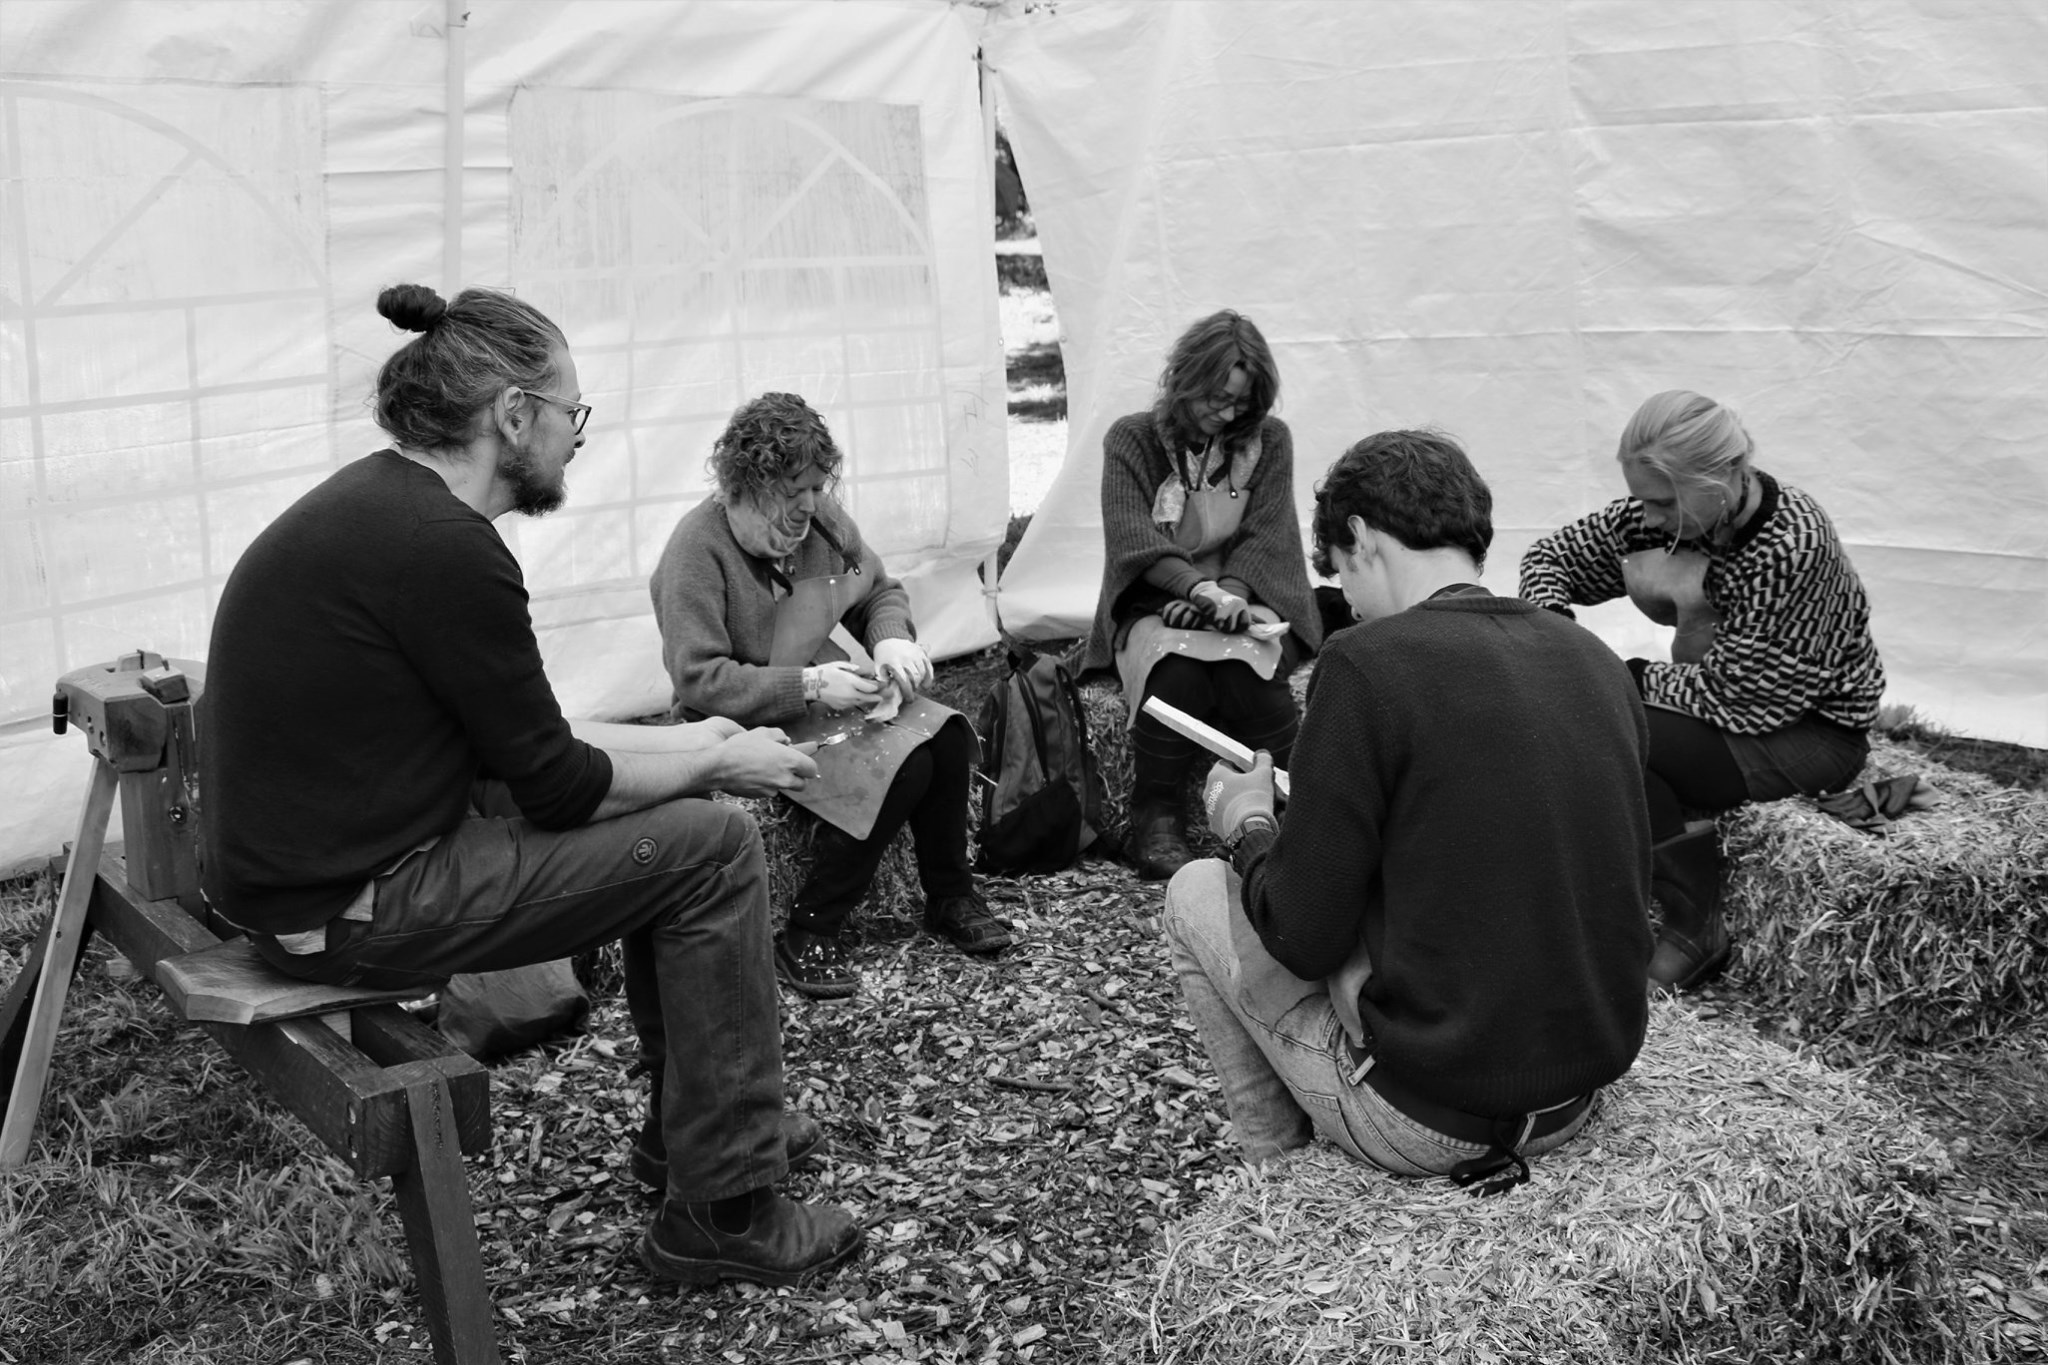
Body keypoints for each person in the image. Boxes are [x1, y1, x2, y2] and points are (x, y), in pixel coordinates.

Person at [200, 284, 862, 1288]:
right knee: (717, 847)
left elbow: (521, 742)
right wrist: (715, 760)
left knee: (683, 818)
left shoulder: (387, 509)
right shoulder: (445, 548)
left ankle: (692, 1133)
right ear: (513, 415)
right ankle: (725, 1209)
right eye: (569, 413)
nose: (576, 438)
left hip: (311, 880)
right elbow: (555, 785)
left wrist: (694, 738)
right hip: (349, 906)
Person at [1166, 430, 1651, 1185]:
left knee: (1193, 889)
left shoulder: (1366, 662)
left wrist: (1249, 826)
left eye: (1338, 572)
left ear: (1360, 536)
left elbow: (1301, 935)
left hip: (1433, 1119)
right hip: (1576, 1095)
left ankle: (1280, 1179)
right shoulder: (1593, 658)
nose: (1349, 601)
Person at [1520, 390, 1884, 991]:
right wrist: (1557, 631)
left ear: (1721, 478)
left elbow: (1744, 699)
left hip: (1807, 732)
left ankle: (1696, 928)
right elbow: (1549, 559)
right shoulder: (1659, 517)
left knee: (1605, 730)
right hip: (1722, 707)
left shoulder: (1791, 545)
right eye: (1643, 499)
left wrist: (1612, 678)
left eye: (1663, 502)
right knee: (1581, 718)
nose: (1649, 518)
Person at [649, 392, 1009, 1001]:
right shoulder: (696, 551)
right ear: (745, 486)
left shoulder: (821, 520)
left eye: (817, 487)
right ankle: (811, 927)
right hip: (735, 721)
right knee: (904, 766)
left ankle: (950, 895)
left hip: (816, 694)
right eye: (794, 492)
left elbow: (879, 590)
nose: (810, 506)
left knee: (947, 736)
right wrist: (811, 684)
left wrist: (890, 639)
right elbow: (699, 679)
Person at [1080, 310, 1321, 881]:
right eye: (1218, 398)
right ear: (1186, 378)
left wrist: (1227, 598)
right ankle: (1155, 815)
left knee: (1248, 670)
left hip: (1251, 593)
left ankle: (1295, 808)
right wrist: (1197, 591)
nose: (1229, 414)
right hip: (1157, 600)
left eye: (1242, 403)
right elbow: (1133, 538)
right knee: (1178, 673)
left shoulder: (1268, 442)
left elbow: (1266, 535)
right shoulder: (1132, 439)